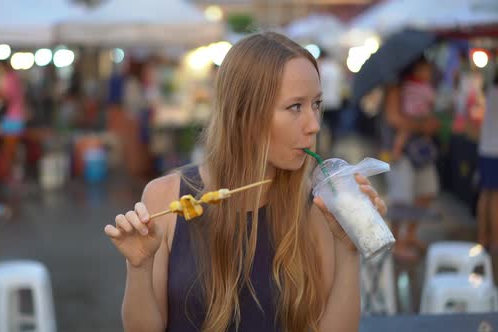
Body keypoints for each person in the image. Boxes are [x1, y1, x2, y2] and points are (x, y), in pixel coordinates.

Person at [103, 32, 387, 332]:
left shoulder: (316, 205)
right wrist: (139, 267)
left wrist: (348, 249)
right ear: (244, 113)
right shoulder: (165, 197)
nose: (314, 125)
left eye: (316, 104)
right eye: (295, 107)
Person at [382, 59, 441, 261]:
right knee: (401, 197)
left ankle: (410, 235)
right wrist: (421, 125)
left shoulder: (421, 87)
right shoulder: (396, 87)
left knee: (427, 190)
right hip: (401, 151)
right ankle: (396, 241)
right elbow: (394, 119)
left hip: (420, 149)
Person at [392, 59, 436, 160]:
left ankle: (397, 149)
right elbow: (431, 99)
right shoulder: (425, 87)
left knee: (405, 132)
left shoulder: (408, 85)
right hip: (416, 114)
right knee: (405, 132)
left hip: (413, 113)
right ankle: (397, 150)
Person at [477, 69, 498, 255]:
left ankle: (485, 237)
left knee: (487, 194)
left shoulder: (492, 89)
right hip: (493, 150)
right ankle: (492, 239)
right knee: (493, 196)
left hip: (487, 149)